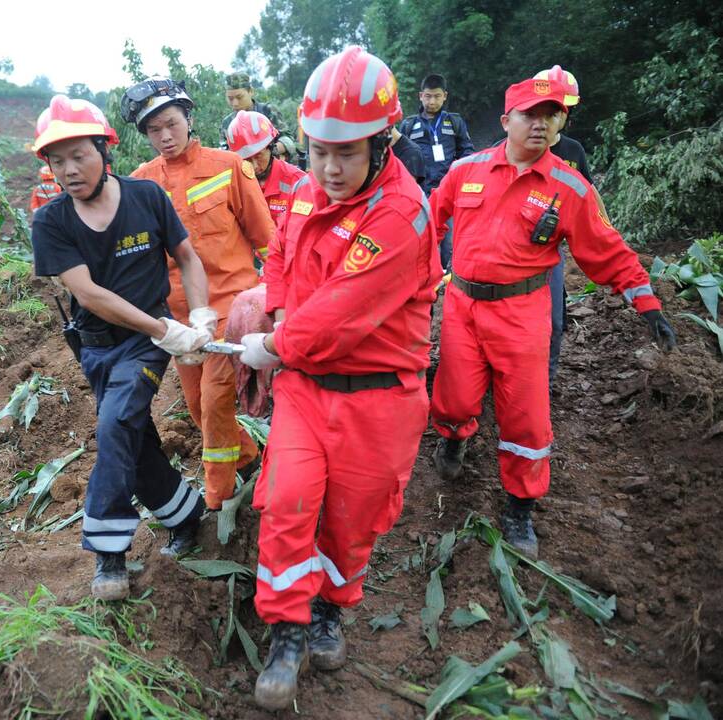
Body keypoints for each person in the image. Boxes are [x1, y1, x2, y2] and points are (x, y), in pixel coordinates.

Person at [239, 47, 442, 710]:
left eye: (347, 152)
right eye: (320, 148)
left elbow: (335, 316)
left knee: (351, 523)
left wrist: (268, 344)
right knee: (289, 502)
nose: (329, 167)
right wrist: (271, 308)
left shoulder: (401, 216)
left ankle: (331, 608)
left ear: (383, 145)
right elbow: (279, 260)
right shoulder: (301, 191)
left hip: (378, 399)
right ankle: (288, 630)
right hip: (305, 388)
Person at [429, 76, 678, 560]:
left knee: (525, 414)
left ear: (561, 122)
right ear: (506, 121)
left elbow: (607, 250)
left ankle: (520, 505)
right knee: (454, 397)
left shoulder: (569, 186)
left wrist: (646, 303)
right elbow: (427, 225)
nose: (540, 123)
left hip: (523, 314)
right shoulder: (465, 170)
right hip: (461, 306)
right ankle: (454, 439)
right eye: (529, 114)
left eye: (551, 114)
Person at [29, 95, 214, 600]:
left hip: (144, 347)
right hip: (96, 348)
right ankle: (187, 515)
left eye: (79, 155)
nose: (68, 169)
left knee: (113, 427)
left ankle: (109, 553)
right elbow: (88, 295)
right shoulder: (51, 222)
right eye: (56, 159)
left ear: (103, 149)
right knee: (133, 437)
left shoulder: (147, 197)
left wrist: (197, 314)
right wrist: (166, 330)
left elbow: (187, 257)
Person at [123, 78, 276, 511]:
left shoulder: (229, 166)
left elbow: (267, 239)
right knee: (195, 406)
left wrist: (282, 302)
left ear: (189, 119)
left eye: (171, 124)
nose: (165, 137)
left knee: (213, 404)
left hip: (232, 308)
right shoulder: (141, 183)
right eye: (154, 131)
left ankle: (218, 501)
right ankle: (249, 460)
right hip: (180, 321)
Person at [534, 65, 591, 384]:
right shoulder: (519, 145)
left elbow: (587, 201)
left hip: (552, 252)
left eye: (563, 108)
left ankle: (547, 379)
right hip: (514, 252)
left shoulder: (573, 152)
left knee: (555, 321)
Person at [399, 74, 474, 267]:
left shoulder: (454, 122)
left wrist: (459, 180)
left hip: (447, 193)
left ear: (445, 96)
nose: (432, 101)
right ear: (420, 96)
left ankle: (446, 281)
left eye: (437, 96)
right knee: (419, 237)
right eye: (428, 96)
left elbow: (467, 151)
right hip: (418, 193)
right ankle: (424, 279)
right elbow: (399, 158)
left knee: (449, 242)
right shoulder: (408, 124)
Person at [224, 110, 305, 224]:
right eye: (246, 160)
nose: (255, 166)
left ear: (271, 147)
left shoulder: (297, 182)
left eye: (259, 156)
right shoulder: (233, 185)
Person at [220, 72, 298, 164]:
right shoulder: (227, 123)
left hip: (276, 167)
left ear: (251, 92)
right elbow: (224, 152)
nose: (235, 103)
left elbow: (288, 139)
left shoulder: (267, 111)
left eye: (239, 97)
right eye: (230, 98)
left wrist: (269, 152)